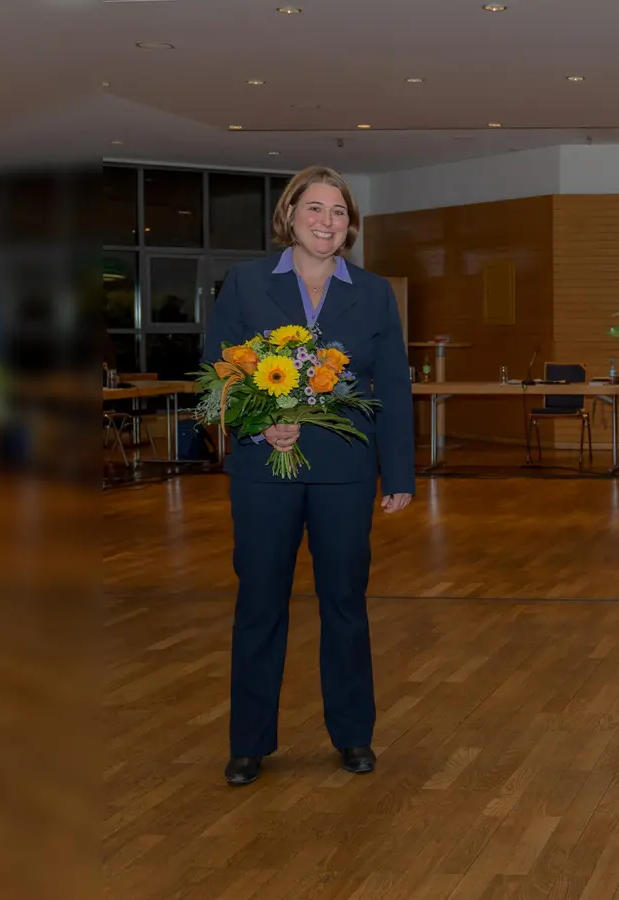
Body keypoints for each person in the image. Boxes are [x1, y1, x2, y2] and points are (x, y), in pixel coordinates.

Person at [204, 166, 415, 786]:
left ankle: (353, 735)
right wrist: (259, 425)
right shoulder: (245, 284)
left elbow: (392, 385)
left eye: (339, 212)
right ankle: (249, 742)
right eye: (315, 209)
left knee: (345, 605)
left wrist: (398, 473)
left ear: (351, 226)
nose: (327, 222)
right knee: (259, 605)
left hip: (345, 472)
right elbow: (220, 372)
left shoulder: (374, 292)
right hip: (262, 473)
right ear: (290, 215)